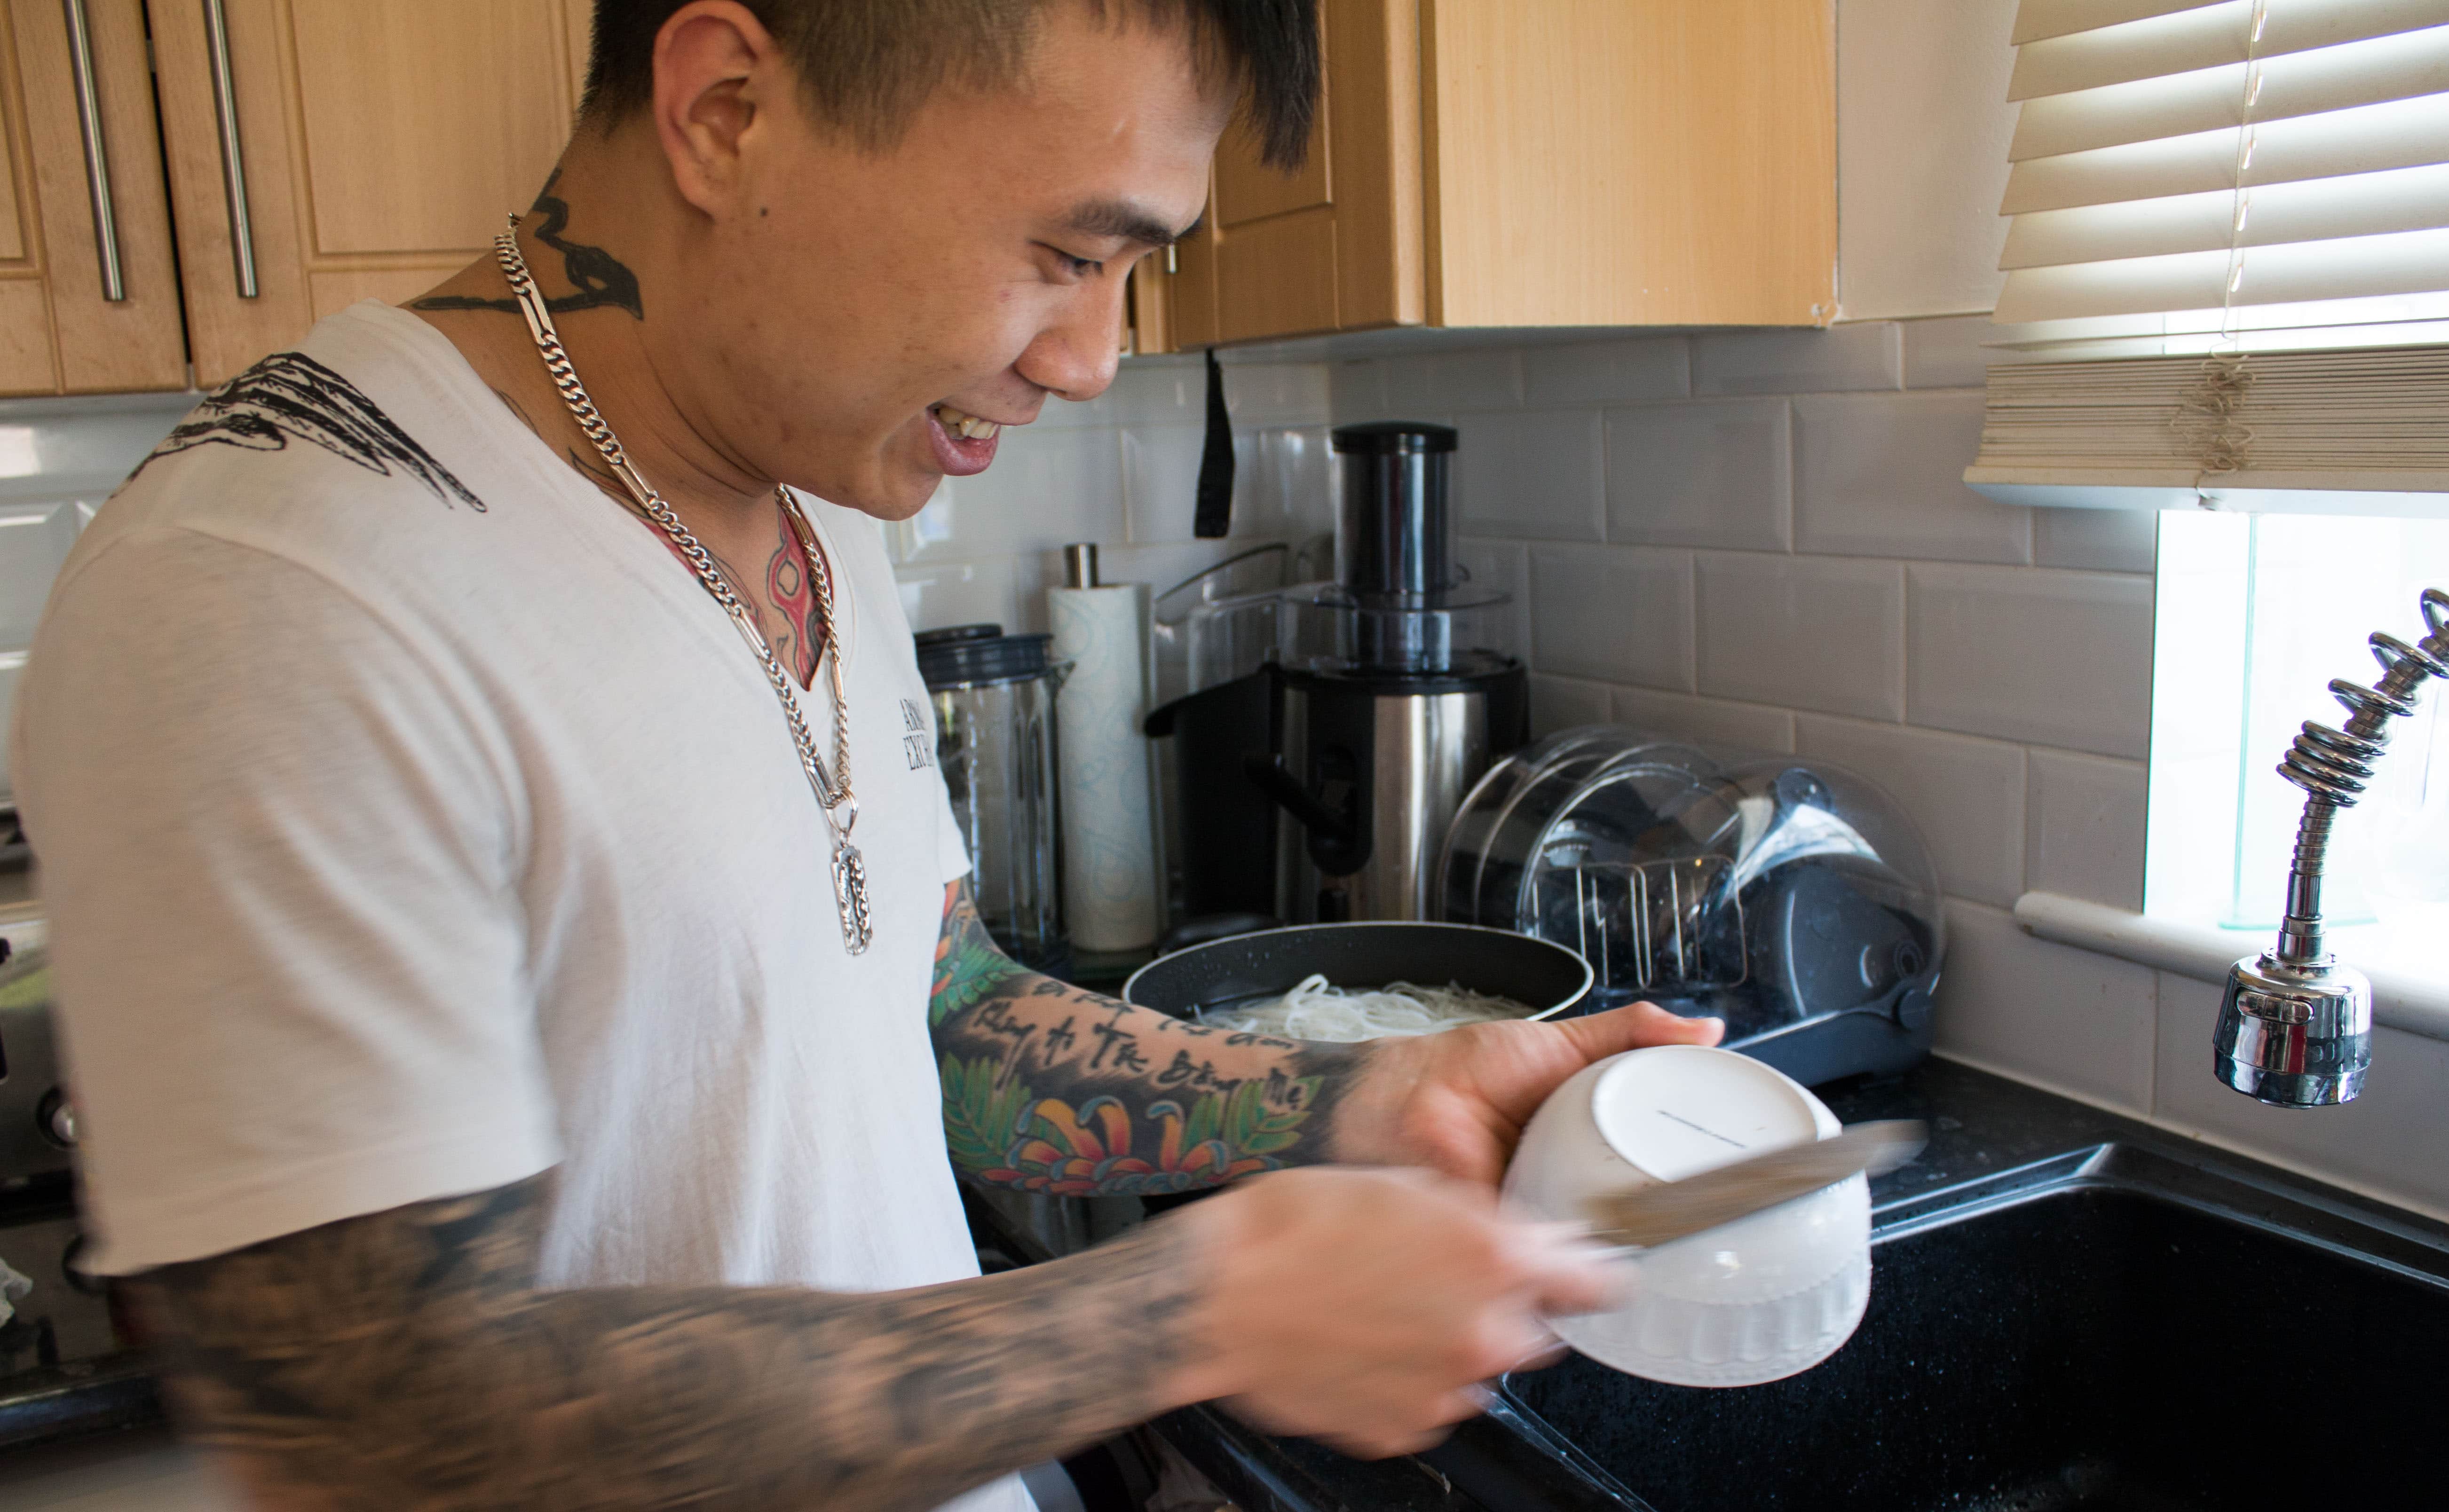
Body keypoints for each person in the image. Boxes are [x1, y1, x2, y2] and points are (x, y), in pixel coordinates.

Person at [12, 2, 1722, 1507]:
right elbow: (370, 1428)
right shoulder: (272, 581)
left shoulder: (818, 503)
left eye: (1138, 268)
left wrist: (1358, 1098)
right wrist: (1187, 1311)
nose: (1093, 355)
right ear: (725, 113)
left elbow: (935, 1009)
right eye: (1064, 253)